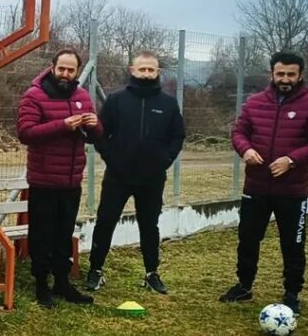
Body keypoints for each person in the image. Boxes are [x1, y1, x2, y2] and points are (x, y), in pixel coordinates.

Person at [219, 52, 308, 313]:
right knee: (248, 239)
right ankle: (244, 286)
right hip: (256, 187)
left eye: (291, 74)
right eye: (280, 73)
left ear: (300, 75)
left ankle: (292, 293)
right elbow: (239, 132)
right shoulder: (255, 102)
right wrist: (246, 150)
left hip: (292, 191)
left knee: (293, 244)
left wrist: (292, 160)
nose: (285, 79)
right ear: (272, 74)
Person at [85, 51, 186, 294]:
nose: (146, 74)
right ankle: (95, 270)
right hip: (117, 176)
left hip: (152, 178)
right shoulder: (116, 100)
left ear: (158, 72)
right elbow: (101, 133)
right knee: (106, 222)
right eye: (142, 69)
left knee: (149, 225)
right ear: (132, 70)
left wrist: (164, 160)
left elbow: (177, 135)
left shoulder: (168, 103)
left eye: (151, 70)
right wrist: (111, 158)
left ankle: (152, 274)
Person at [17, 48, 102, 308]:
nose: (65, 74)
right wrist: (62, 125)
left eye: (70, 70)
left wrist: (94, 124)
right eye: (61, 68)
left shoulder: (82, 96)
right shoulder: (34, 95)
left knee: (65, 234)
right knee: (42, 234)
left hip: (71, 179)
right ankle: (41, 285)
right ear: (52, 67)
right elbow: (25, 133)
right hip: (43, 179)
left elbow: (96, 137)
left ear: (77, 72)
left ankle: (62, 283)